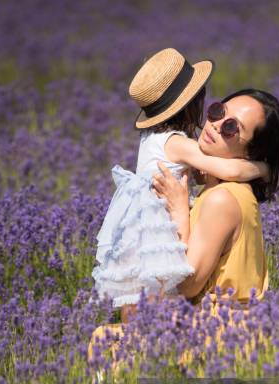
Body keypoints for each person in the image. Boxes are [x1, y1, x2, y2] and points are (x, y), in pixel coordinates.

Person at [88, 88, 279, 370]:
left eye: (232, 128)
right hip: (217, 330)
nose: (217, 125)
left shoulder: (221, 198)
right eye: (218, 111)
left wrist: (179, 210)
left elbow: (187, 284)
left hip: (219, 338)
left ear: (250, 152)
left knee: (105, 342)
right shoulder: (225, 192)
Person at [92, 49, 269, 324]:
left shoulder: (153, 138)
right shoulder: (176, 143)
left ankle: (132, 354)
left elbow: (198, 174)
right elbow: (227, 169)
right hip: (159, 227)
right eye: (212, 109)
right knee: (159, 299)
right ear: (192, 104)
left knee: (140, 300)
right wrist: (263, 168)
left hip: (138, 229)